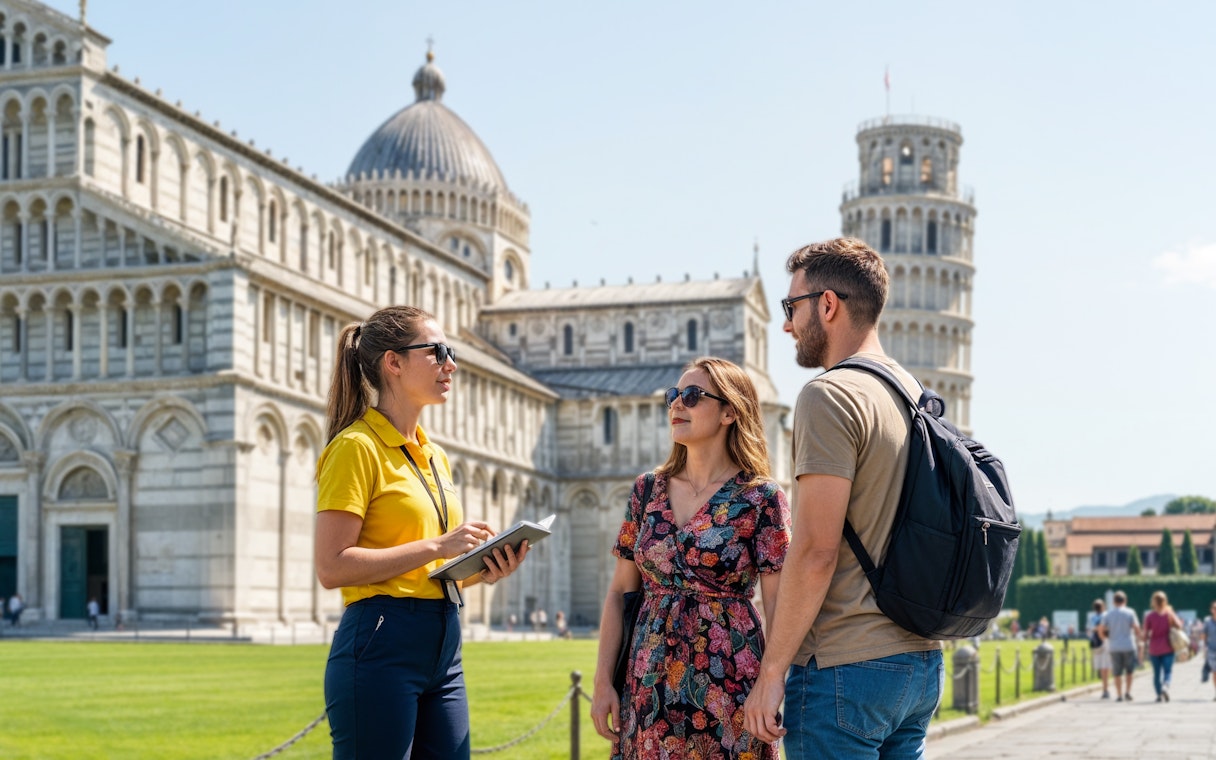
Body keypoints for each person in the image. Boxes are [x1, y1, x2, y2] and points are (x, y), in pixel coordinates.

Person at [743, 237, 944, 758]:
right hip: (918, 662)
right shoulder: (912, 392)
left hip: (843, 668)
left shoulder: (829, 396)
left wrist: (771, 672)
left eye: (791, 307)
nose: (785, 324)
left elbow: (815, 552)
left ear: (827, 305)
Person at [315, 305, 530, 759]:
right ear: (393, 363)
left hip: (444, 642)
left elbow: (435, 571)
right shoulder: (355, 448)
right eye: (437, 352)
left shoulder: (434, 456)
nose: (450, 364)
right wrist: (438, 544)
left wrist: (485, 569)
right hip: (380, 640)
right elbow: (332, 567)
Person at [591, 356, 790, 759]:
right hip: (647, 681)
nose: (676, 405)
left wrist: (772, 683)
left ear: (729, 412)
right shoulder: (647, 491)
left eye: (692, 396)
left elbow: (779, 605)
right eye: (673, 396)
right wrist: (602, 681)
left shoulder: (762, 498)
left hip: (729, 681)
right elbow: (619, 593)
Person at [1141, 590, 1183, 703]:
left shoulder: (1149, 616)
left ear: (1153, 602)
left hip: (1154, 648)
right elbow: (1179, 626)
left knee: (1156, 673)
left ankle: (1159, 695)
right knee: (1168, 671)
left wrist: (1143, 643)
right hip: (1168, 647)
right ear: (1165, 601)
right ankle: (1166, 686)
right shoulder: (1169, 614)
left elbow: (1144, 635)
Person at [1100, 590, 1141, 702]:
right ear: (1125, 601)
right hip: (1128, 645)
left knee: (1117, 672)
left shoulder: (1108, 613)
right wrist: (1138, 637)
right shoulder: (1130, 612)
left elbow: (1101, 628)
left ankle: (1119, 694)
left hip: (1114, 646)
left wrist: (1104, 637)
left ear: (1114, 602)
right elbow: (1136, 627)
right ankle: (1128, 692)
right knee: (1129, 671)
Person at [1088, 598, 1112, 699]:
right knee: (1107, 666)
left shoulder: (1092, 617)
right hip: (1105, 641)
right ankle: (1106, 688)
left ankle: (1105, 688)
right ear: (1103, 606)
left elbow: (1089, 630)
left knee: (1102, 668)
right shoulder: (1105, 615)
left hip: (1096, 643)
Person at [1203, 601, 1216, 700]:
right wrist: (1204, 648)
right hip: (1212, 650)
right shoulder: (1208, 621)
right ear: (1211, 610)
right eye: (1214, 608)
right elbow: (1204, 635)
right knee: (1215, 672)